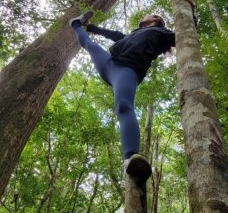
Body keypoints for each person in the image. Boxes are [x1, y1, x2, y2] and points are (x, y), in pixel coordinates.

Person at [69, 11, 175, 169]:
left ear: (156, 19)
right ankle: (75, 23)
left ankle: (131, 158)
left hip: (127, 70)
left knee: (123, 106)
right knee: (89, 45)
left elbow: (186, 35)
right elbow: (115, 34)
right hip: (109, 63)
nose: (143, 16)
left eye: (148, 14)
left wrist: (190, 15)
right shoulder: (133, 34)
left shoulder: (162, 33)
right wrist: (91, 27)